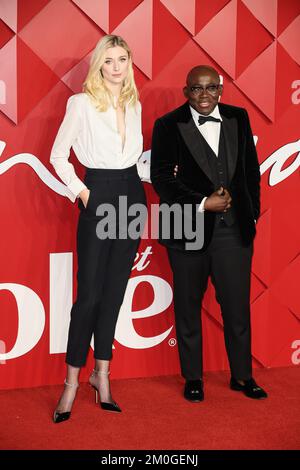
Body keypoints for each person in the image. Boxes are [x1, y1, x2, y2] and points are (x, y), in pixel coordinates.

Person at [151, 65, 268, 402]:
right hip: (186, 227)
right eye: (196, 89)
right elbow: (161, 178)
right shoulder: (168, 125)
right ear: (186, 92)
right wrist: (203, 203)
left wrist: (251, 215)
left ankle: (243, 377)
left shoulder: (238, 117)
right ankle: (193, 378)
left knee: (237, 308)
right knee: (188, 308)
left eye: (211, 88)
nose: (204, 95)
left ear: (221, 90)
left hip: (234, 232)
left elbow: (250, 171)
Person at [50, 35, 148, 423]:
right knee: (89, 296)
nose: (117, 67)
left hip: (132, 195)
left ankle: (102, 375)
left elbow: (132, 159)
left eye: (122, 59)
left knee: (115, 293)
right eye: (109, 61)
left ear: (129, 62)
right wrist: (83, 193)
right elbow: (59, 155)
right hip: (99, 193)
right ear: (99, 65)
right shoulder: (81, 103)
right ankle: (71, 383)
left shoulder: (134, 104)